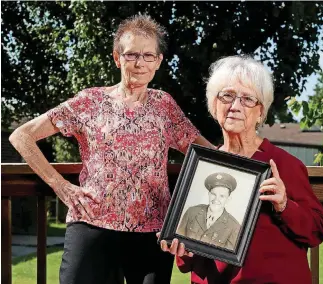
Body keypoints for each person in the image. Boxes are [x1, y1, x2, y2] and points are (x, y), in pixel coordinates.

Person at [9, 14, 213, 284]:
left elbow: (209, 155)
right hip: (92, 223)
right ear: (117, 58)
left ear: (158, 62)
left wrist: (253, 162)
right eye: (131, 55)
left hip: (152, 231)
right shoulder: (90, 101)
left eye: (148, 55)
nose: (139, 62)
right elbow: (22, 136)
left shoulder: (165, 106)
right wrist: (60, 185)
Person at [160, 55, 323, 284]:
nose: (235, 106)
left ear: (260, 112)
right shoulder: (201, 168)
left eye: (248, 99)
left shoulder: (282, 164)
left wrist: (284, 205)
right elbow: (189, 258)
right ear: (214, 105)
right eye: (227, 96)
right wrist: (183, 250)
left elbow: (316, 230)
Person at [176, 172, 240, 250]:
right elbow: (178, 241)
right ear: (209, 194)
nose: (216, 199)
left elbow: (227, 257)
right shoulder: (192, 212)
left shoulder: (234, 227)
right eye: (213, 194)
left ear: (228, 199)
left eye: (222, 196)